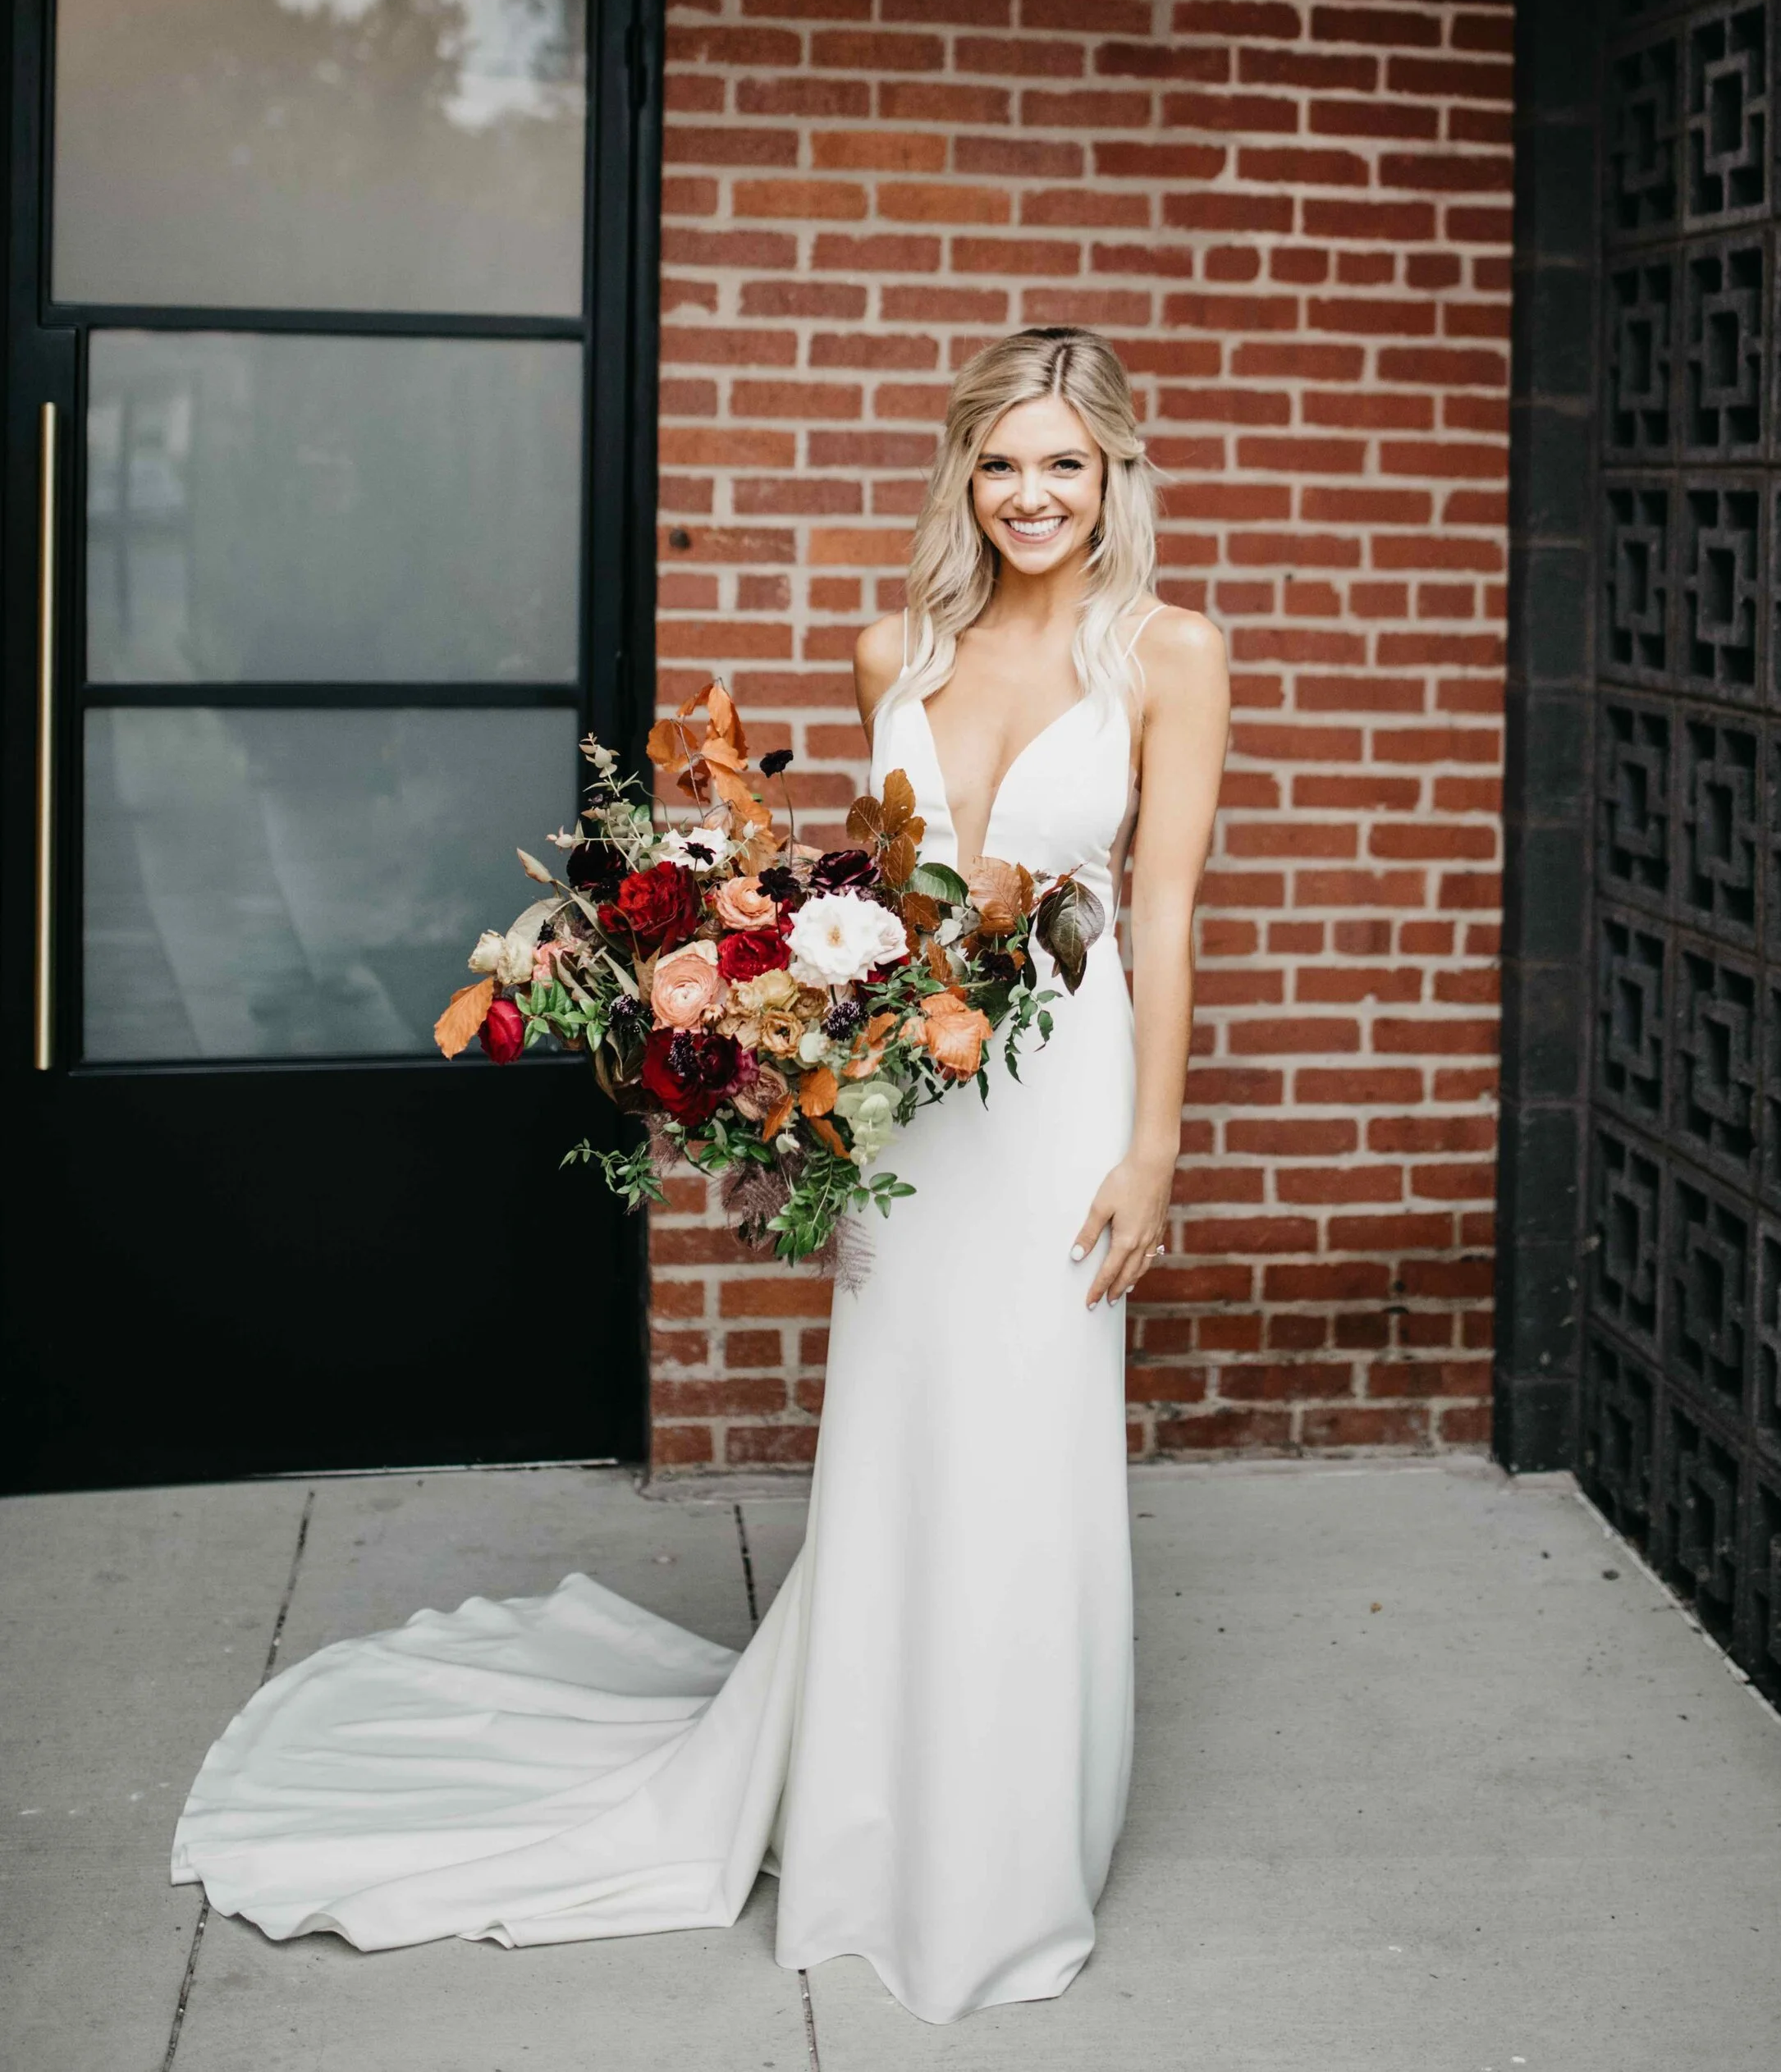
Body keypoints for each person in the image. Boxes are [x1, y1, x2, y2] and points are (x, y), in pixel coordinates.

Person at [172, 325, 1230, 2024]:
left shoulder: (1169, 653)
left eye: (1065, 464)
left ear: (1113, 476)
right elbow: (877, 897)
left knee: (1031, 1437)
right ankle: (870, 1803)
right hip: (908, 1102)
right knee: (897, 1433)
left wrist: (1154, 1146)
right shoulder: (892, 637)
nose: (1032, 495)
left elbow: (1160, 915)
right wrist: (793, 1043)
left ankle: (1002, 1846)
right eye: (1002, 461)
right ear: (964, 473)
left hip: (1057, 1098)